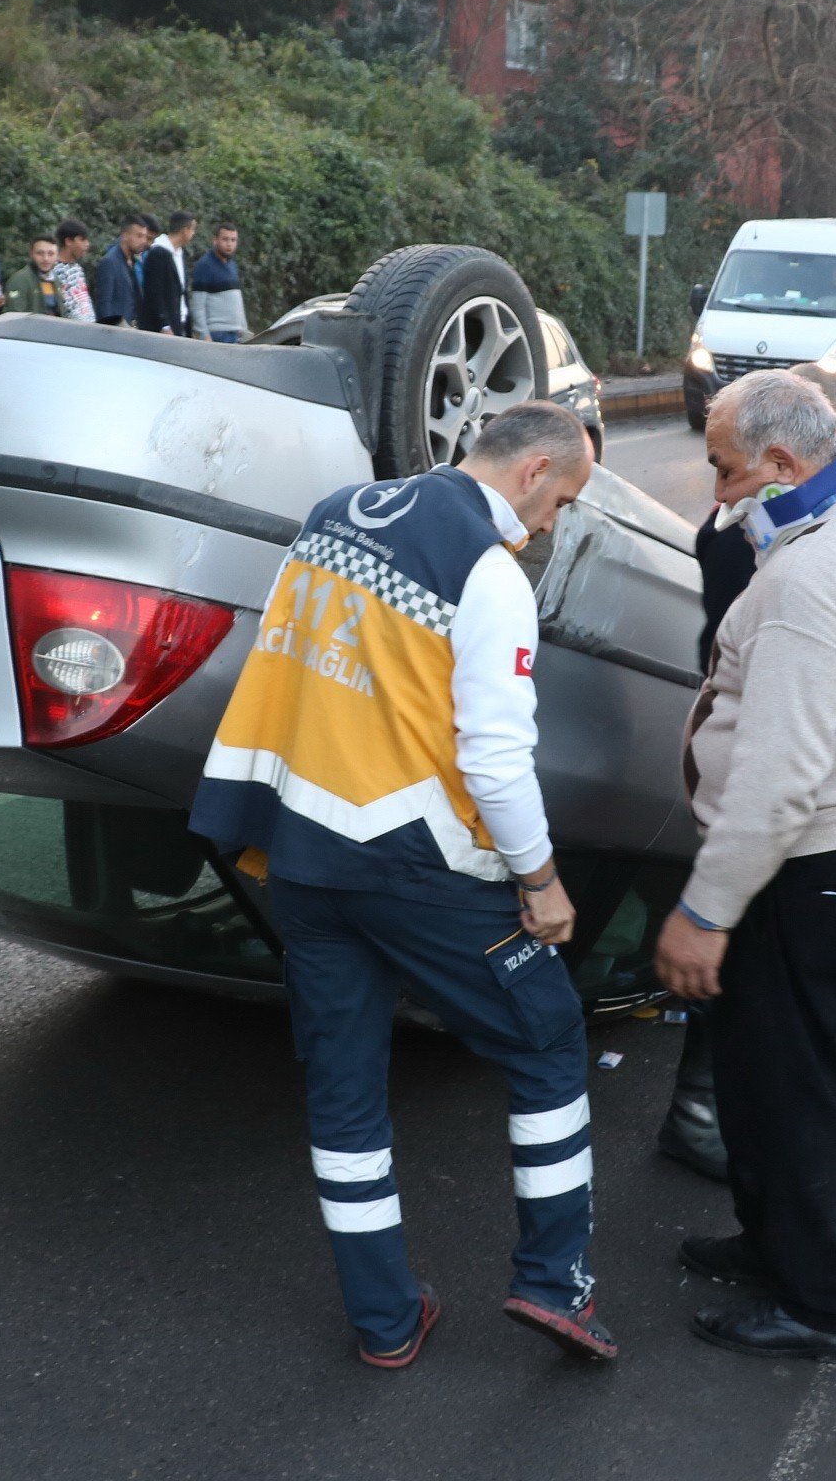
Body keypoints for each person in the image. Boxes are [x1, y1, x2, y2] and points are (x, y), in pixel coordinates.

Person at [189, 400, 618, 1369]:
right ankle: (557, 1284)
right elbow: (498, 760)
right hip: (415, 866)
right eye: (563, 501)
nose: (553, 524)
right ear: (534, 471)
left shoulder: (336, 513)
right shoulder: (487, 572)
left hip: (301, 852)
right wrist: (541, 881)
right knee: (547, 1043)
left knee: (345, 1094)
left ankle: (385, 1321)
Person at [653, 370, 836, 1362]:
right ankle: (771, 1241)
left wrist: (705, 908)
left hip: (811, 869)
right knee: (775, 1079)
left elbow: (778, 780)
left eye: (728, 472)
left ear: (782, 464)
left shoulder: (807, 578)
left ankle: (823, 1306)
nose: (721, 494)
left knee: (790, 1095)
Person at [652, 356, 836, 1184]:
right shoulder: (762, 536)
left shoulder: (782, 531)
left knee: (739, 975)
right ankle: (702, 1118)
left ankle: (707, 1115)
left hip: (755, 763)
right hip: (764, 777)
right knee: (734, 966)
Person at [137, 211, 197, 337]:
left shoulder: (180, 253)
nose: (193, 233)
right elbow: (154, 292)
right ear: (185, 230)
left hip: (180, 320)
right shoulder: (158, 253)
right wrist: (164, 324)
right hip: (164, 327)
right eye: (192, 229)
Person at [189, 223, 247, 342]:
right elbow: (198, 305)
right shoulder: (205, 265)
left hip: (235, 334)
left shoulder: (231, 264)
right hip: (216, 334)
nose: (229, 244)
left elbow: (237, 301)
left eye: (233, 240)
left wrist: (244, 329)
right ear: (215, 240)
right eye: (225, 239)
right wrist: (204, 335)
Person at [94, 216, 148, 328]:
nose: (143, 241)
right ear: (124, 235)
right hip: (115, 332)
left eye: (145, 237)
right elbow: (104, 303)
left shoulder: (135, 262)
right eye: (139, 236)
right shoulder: (109, 262)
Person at [5, 236, 70, 317]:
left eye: (51, 254)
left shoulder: (56, 280)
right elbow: (14, 316)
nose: (46, 258)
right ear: (31, 254)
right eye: (40, 253)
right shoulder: (20, 279)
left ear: (57, 256)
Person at [49, 223, 97, 322]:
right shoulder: (56, 270)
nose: (87, 244)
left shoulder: (77, 268)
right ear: (68, 241)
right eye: (82, 240)